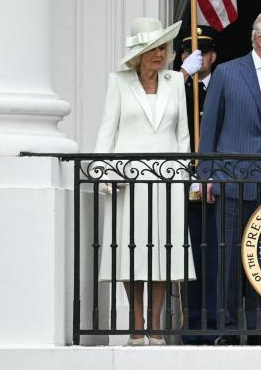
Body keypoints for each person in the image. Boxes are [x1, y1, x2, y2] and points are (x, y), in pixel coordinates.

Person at [94, 17, 201, 345]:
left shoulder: (174, 82)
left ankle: (155, 325)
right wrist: (104, 171)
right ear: (137, 54)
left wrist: (185, 176)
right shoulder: (119, 82)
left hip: (166, 182)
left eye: (163, 47)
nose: (159, 53)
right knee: (131, 251)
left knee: (162, 255)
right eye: (152, 48)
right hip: (129, 182)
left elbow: (183, 134)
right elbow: (106, 129)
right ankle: (136, 324)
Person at [198, 11, 261, 346]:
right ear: (259, 38)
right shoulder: (226, 72)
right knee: (229, 256)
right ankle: (226, 327)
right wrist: (206, 175)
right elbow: (210, 127)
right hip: (232, 179)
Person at [178, 25, 219, 345]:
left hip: (216, 180)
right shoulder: (176, 88)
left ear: (213, 56)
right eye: (186, 52)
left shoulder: (222, 84)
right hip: (186, 180)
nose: (194, 57)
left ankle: (217, 322)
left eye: (201, 52)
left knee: (217, 256)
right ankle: (192, 323)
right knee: (190, 256)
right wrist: (182, 77)